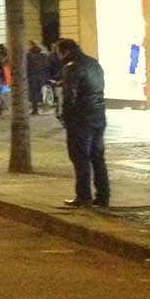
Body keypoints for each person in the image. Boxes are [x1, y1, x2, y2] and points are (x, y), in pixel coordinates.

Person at [57, 37, 109, 209]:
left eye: (59, 52)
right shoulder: (94, 63)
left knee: (80, 157)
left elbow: (69, 97)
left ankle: (83, 196)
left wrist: (66, 118)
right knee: (97, 157)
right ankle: (103, 195)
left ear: (66, 51)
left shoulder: (72, 68)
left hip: (80, 119)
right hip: (98, 115)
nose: (58, 56)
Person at [25, 41, 48, 115]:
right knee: (38, 92)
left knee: (32, 92)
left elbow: (26, 66)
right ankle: (36, 108)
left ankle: (35, 109)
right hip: (41, 76)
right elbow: (46, 66)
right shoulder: (43, 56)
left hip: (31, 76)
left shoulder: (28, 56)